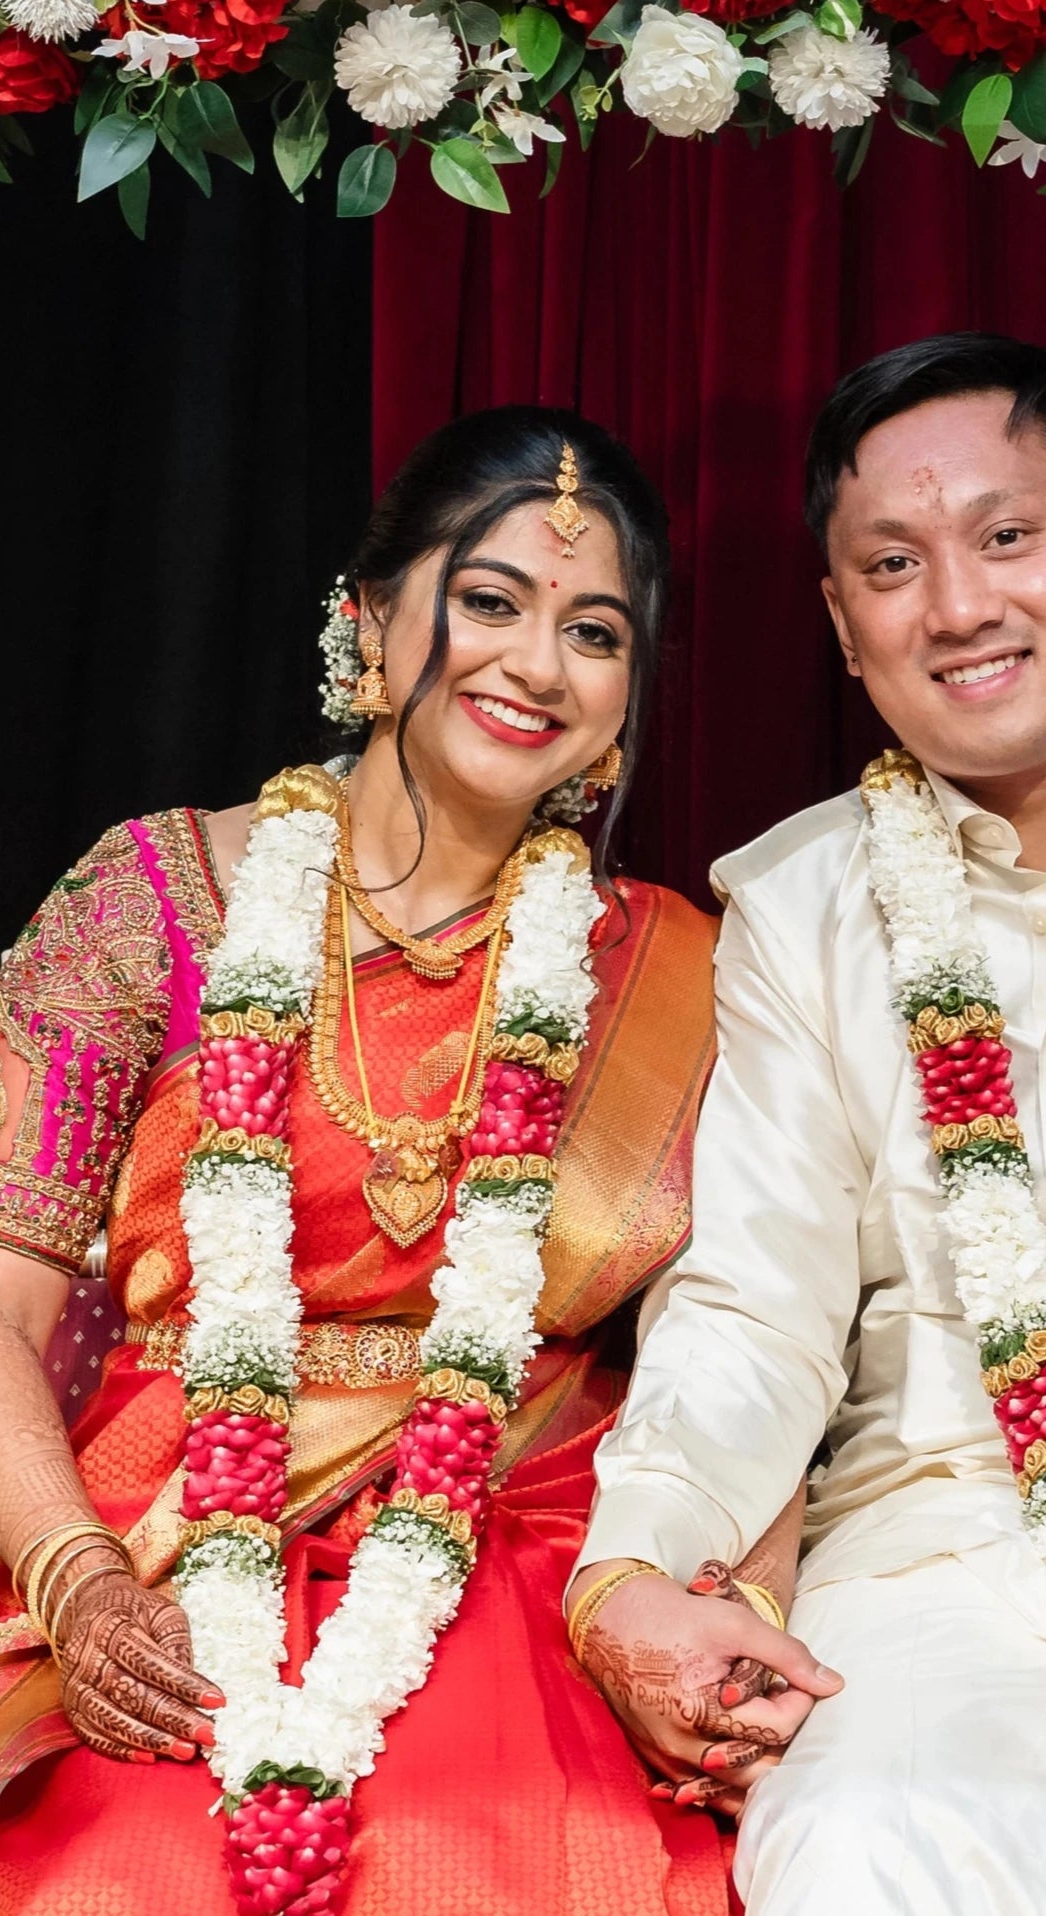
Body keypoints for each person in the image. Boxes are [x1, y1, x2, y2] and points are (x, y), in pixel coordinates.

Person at [0, 407, 819, 1916]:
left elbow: (758, 1334)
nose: (535, 666)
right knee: (133, 1865)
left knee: (534, 1857)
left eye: (595, 631)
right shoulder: (151, 898)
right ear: (365, 622)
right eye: (488, 601)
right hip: (166, 1535)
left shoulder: (677, 969)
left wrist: (728, 1603)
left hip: (533, 1531)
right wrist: (76, 1584)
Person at [572, 331, 1046, 1915]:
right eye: (892, 566)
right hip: (953, 1552)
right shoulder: (801, 903)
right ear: (845, 630)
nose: (960, 607)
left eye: (1006, 536)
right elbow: (754, 1306)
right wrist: (631, 1568)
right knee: (863, 1846)